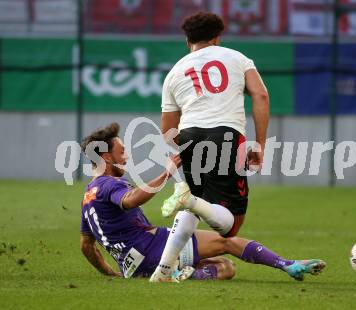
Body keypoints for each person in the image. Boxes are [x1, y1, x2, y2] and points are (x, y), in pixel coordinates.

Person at [79, 123, 326, 282]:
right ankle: (288, 265)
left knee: (225, 268)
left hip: (134, 266)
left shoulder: (89, 195)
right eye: (121, 151)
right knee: (226, 241)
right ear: (105, 156)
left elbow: (86, 246)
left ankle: (180, 274)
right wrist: (166, 172)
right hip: (151, 247)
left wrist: (112, 272)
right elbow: (130, 200)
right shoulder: (110, 185)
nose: (126, 155)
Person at [161, 11, 270, 237]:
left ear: (187, 40)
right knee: (232, 226)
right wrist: (259, 144)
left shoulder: (174, 72)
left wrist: (187, 149)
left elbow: (168, 132)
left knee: (200, 208)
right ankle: (187, 198)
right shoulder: (238, 58)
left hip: (189, 136)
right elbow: (260, 96)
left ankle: (166, 266)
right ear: (217, 38)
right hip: (227, 136)